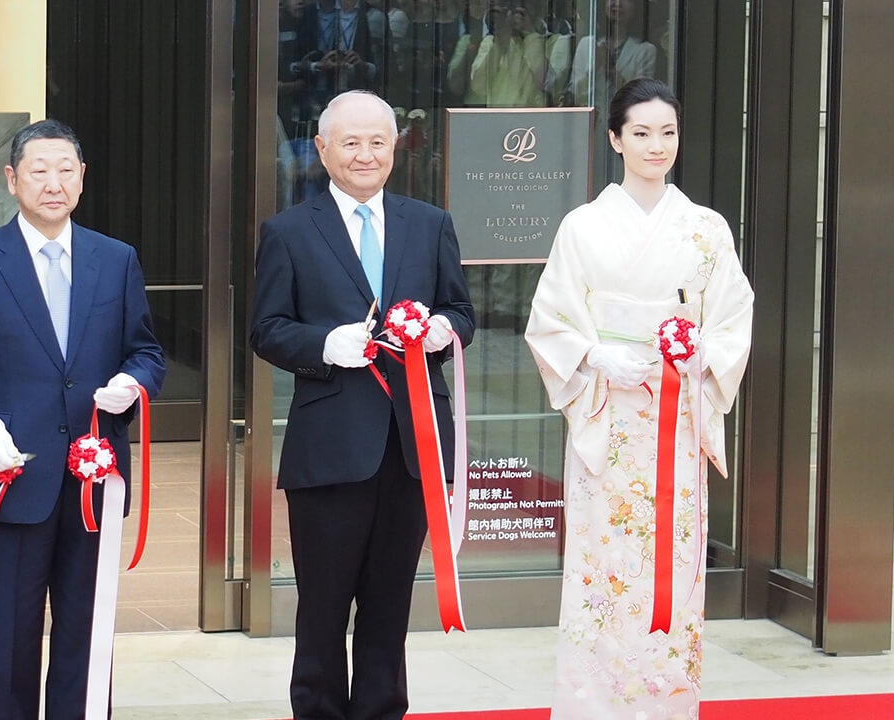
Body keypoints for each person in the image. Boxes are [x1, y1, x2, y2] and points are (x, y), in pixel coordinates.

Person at [524, 78, 753, 719]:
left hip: (677, 417)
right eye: (643, 133)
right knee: (605, 565)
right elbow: (550, 321)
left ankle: (667, 705)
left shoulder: (705, 229)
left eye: (668, 132)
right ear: (615, 139)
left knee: (671, 564)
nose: (657, 145)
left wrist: (701, 352)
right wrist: (597, 356)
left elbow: (733, 318)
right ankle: (593, 705)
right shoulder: (583, 226)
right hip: (611, 411)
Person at [249, 90, 475, 720]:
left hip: (412, 447)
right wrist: (326, 344)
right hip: (330, 452)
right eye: (350, 142)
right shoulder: (290, 231)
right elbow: (266, 328)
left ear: (396, 147)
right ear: (321, 150)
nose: (366, 154)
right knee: (322, 609)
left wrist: (440, 331)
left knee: (389, 606)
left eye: (379, 141)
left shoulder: (428, 224)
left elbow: (462, 312)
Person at [0, 119, 165, 720]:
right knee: (8, 641)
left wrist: (131, 383)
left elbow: (146, 351)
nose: (53, 182)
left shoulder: (116, 260)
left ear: (83, 178)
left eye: (66, 169)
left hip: (93, 481)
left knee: (88, 640)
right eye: (39, 170)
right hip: (12, 481)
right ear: (12, 179)